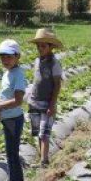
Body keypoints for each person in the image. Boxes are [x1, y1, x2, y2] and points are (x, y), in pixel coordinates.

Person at [0, 40, 27, 181]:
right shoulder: (8, 73)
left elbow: (18, 100)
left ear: (17, 57)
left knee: (12, 155)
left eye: (9, 56)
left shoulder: (18, 74)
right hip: (8, 118)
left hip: (13, 120)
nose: (5, 59)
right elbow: (6, 96)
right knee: (11, 154)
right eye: (2, 56)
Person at [27, 28, 64, 167]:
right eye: (38, 46)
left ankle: (44, 161)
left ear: (51, 47)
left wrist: (52, 105)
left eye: (43, 46)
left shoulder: (54, 63)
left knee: (44, 133)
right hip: (34, 101)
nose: (40, 48)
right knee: (38, 133)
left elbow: (57, 85)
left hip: (47, 103)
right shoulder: (37, 60)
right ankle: (42, 158)